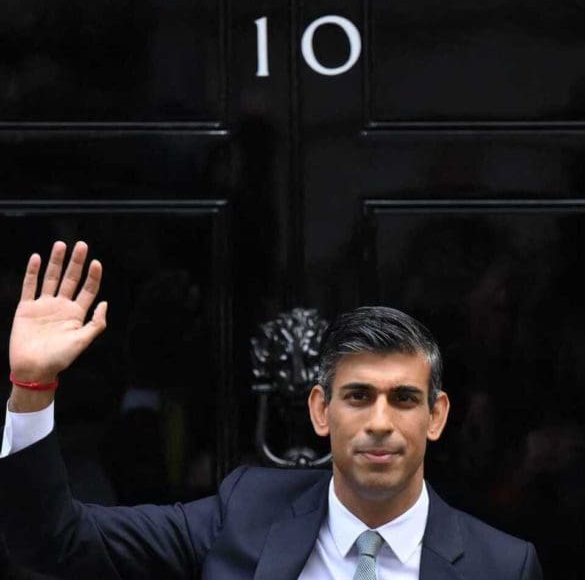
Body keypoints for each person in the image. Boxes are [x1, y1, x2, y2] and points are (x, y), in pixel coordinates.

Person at [0, 241, 543, 580]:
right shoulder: (245, 515)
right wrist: (33, 385)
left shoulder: (501, 565)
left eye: (404, 398)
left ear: (437, 415)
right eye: (358, 396)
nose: (380, 422)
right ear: (320, 410)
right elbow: (53, 541)